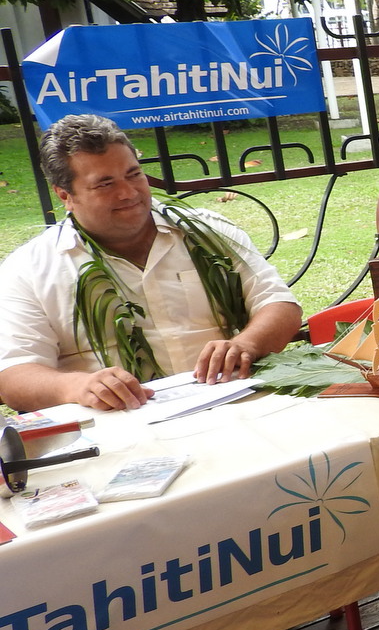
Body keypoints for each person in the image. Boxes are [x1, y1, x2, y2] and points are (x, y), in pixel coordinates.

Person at [0, 113, 303, 413]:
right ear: (65, 194)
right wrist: (77, 386)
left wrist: (247, 344)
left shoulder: (208, 232)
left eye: (134, 174)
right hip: (118, 429)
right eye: (105, 184)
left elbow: (279, 305)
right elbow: (14, 376)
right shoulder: (29, 269)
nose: (128, 193)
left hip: (234, 405)